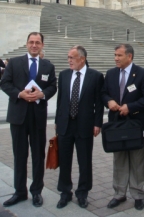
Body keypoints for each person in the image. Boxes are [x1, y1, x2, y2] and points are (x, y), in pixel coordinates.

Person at [0, 32, 57, 207]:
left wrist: (43, 94)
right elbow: (4, 83)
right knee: (20, 155)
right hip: (18, 116)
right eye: (31, 42)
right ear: (26, 44)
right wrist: (19, 94)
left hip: (38, 117)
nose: (34, 45)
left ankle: (36, 191)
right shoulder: (15, 63)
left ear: (42, 45)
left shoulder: (48, 65)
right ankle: (20, 192)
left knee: (38, 156)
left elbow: (53, 86)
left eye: (37, 42)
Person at [101, 44, 144, 211]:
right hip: (117, 125)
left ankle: (138, 194)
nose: (116, 58)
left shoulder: (142, 74)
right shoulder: (110, 74)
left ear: (129, 56)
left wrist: (130, 107)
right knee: (120, 160)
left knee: (138, 160)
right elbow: (103, 93)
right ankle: (119, 193)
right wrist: (108, 101)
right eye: (115, 55)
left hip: (136, 125)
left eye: (119, 55)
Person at [55, 45, 104, 209]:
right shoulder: (63, 75)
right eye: (68, 57)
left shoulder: (95, 76)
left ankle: (82, 193)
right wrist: (57, 121)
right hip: (65, 126)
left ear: (82, 59)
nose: (69, 60)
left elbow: (99, 102)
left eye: (72, 57)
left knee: (85, 162)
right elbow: (60, 101)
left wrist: (98, 123)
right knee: (65, 160)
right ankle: (65, 192)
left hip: (85, 125)